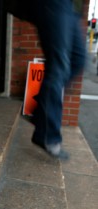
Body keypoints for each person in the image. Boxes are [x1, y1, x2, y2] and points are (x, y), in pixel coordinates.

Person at [27, 0, 86, 160]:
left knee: (78, 59)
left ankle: (40, 112)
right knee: (58, 65)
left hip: (71, 7)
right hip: (53, 3)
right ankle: (47, 135)